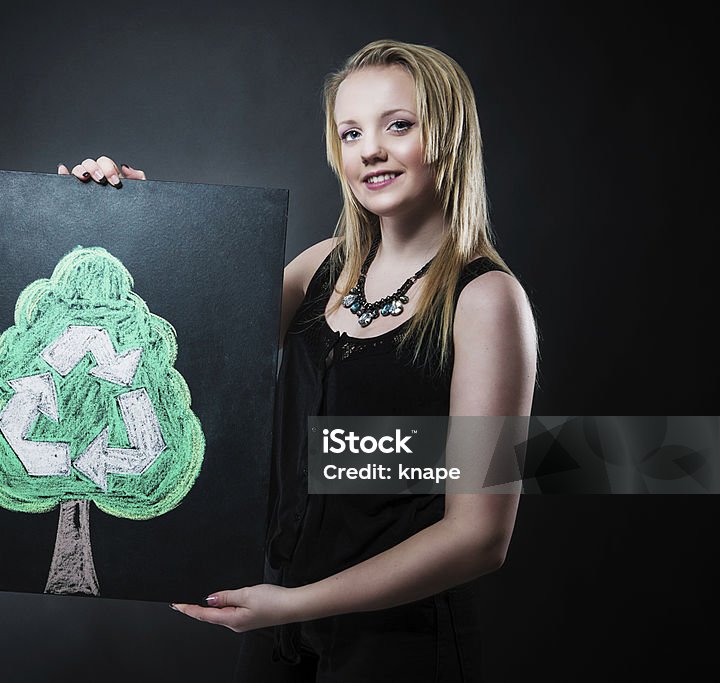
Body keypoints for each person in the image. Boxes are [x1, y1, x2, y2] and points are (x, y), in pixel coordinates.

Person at [58, 38, 538, 682]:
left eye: (399, 125)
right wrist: (128, 216)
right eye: (350, 131)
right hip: (279, 630)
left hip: (399, 644)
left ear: (450, 136)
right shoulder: (320, 267)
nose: (371, 149)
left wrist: (291, 603)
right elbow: (183, 349)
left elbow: (478, 536)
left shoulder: (487, 299)